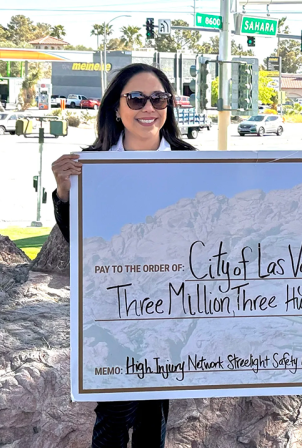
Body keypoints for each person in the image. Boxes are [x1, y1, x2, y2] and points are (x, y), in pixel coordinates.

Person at [51, 63, 195, 448]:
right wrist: (64, 192)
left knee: (153, 413)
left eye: (158, 99)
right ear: (116, 106)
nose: (148, 108)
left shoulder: (191, 161)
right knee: (113, 414)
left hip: (169, 305)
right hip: (111, 306)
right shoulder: (90, 163)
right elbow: (75, 239)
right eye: (136, 99)